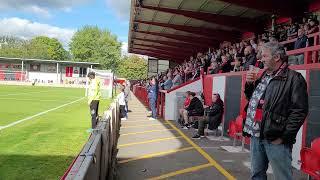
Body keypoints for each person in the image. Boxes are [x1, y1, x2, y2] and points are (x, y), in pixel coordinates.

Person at [242, 41, 308, 180]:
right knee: (256, 175)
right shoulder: (264, 75)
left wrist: (284, 137)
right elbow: (253, 99)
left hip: (275, 138)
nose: (261, 59)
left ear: (277, 57)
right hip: (256, 134)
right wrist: (249, 84)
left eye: (265, 56)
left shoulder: (294, 78)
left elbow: (299, 111)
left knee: (282, 177)